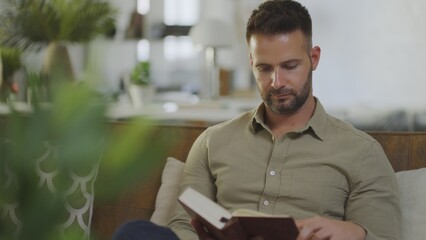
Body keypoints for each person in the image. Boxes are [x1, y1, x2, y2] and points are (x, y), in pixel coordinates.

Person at [113, 0, 401, 239]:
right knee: (135, 232)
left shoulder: (362, 152)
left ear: (313, 58)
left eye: (290, 66)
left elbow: (384, 235)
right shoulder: (213, 141)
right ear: (251, 63)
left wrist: (350, 232)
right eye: (264, 68)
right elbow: (180, 227)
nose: (277, 82)